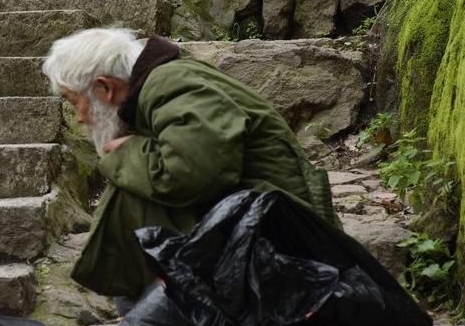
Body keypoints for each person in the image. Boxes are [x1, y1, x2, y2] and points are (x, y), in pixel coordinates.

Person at [42, 28, 340, 311]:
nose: (79, 118)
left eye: (74, 102)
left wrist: (126, 153)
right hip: (263, 228)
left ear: (104, 87)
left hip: (280, 242)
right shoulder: (164, 86)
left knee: (133, 178)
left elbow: (190, 173)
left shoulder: (173, 85)